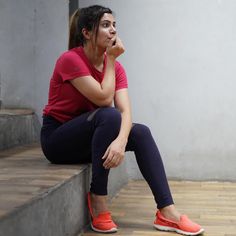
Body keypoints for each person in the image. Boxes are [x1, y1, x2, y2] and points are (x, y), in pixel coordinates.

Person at [40, 5, 204, 236]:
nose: (113, 31)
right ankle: (98, 199)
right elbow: (105, 99)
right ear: (87, 33)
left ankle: (167, 212)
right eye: (106, 25)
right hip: (58, 140)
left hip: (91, 136)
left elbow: (126, 112)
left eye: (114, 25)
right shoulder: (70, 59)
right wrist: (110, 60)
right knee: (108, 115)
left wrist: (120, 141)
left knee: (141, 132)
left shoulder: (116, 68)